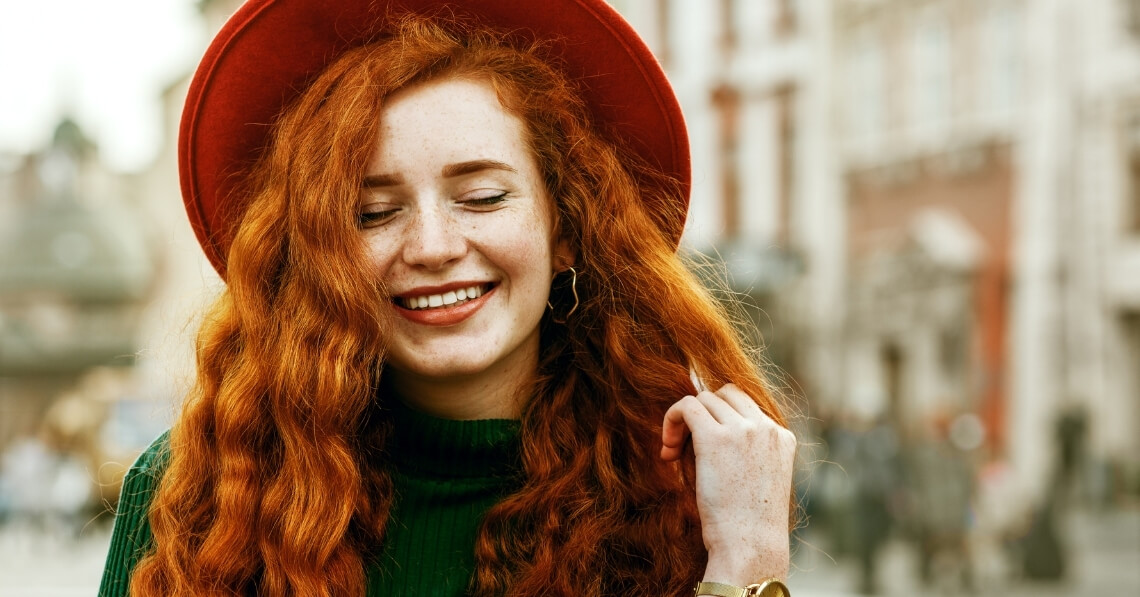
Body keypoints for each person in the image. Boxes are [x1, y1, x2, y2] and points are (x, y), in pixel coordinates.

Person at [99, 1, 797, 596]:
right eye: (373, 212)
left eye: (482, 197)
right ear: (320, 255)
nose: (432, 246)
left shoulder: (682, 493)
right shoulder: (197, 495)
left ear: (569, 232)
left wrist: (748, 566)